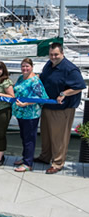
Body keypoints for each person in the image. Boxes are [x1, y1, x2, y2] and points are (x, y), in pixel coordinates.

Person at [36, 42, 86, 174]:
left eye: (56, 54)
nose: (53, 57)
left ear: (62, 54)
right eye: (51, 54)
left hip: (62, 108)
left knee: (59, 137)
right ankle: (45, 157)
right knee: (46, 134)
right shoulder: (49, 64)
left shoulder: (70, 69)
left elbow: (80, 86)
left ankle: (57, 163)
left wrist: (64, 94)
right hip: (47, 105)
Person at [12, 58, 49, 172]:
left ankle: (28, 164)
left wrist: (26, 103)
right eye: (23, 66)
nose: (25, 68)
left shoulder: (35, 81)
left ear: (32, 67)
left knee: (29, 138)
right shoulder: (20, 78)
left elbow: (41, 97)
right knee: (23, 136)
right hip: (21, 113)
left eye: (27, 66)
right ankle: (25, 158)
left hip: (31, 114)